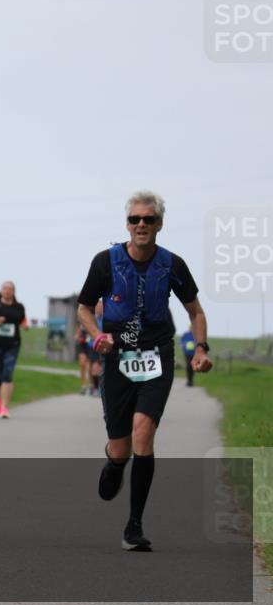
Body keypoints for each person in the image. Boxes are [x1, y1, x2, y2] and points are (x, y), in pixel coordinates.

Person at [78, 190, 213, 551]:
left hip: (157, 356)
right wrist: (96, 336)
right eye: (135, 219)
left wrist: (200, 348)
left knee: (143, 435)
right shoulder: (106, 262)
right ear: (127, 223)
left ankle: (134, 526)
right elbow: (84, 307)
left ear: (160, 225)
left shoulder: (173, 265)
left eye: (148, 219)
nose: (141, 225)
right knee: (121, 448)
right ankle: (114, 464)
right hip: (117, 358)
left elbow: (195, 311)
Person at [0, 281, 29, 418]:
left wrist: (25, 325)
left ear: (13, 292)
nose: (7, 291)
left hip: (13, 345)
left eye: (10, 289)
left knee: (7, 373)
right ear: (1, 291)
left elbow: (22, 320)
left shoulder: (19, 307)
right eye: (5, 289)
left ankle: (4, 407)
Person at [76, 324, 91, 395]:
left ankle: (91, 385)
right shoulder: (80, 326)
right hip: (82, 346)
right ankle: (83, 385)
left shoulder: (91, 321)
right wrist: (79, 338)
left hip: (90, 345)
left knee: (89, 367)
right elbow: (76, 337)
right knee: (82, 364)